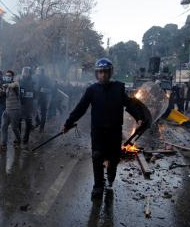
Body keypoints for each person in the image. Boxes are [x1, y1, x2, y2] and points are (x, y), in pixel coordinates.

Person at [61, 58, 148, 200]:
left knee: (113, 160)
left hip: (114, 131)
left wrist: (138, 117)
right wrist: (68, 123)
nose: (103, 75)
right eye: (100, 72)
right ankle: (98, 186)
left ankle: (111, 177)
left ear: (110, 72)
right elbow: (80, 108)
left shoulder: (119, 88)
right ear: (97, 74)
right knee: (97, 156)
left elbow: (129, 104)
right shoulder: (91, 90)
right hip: (98, 131)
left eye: (105, 72)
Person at [0, 70, 21, 151]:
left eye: (9, 75)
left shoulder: (15, 84)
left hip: (14, 110)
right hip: (7, 110)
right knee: (3, 127)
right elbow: (1, 95)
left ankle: (18, 141)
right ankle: (3, 145)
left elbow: (15, 84)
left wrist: (6, 85)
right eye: (6, 75)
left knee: (14, 128)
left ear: (12, 77)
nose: (7, 77)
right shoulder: (6, 87)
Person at [19, 66, 36, 148]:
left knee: (28, 122)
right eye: (24, 72)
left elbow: (35, 93)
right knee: (18, 121)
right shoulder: (20, 81)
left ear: (29, 73)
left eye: (27, 72)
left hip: (29, 104)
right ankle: (18, 137)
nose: (25, 74)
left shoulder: (32, 82)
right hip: (21, 104)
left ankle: (25, 139)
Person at [35, 66, 52, 132]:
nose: (37, 72)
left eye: (38, 70)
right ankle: (38, 122)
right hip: (37, 97)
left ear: (41, 71)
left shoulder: (47, 79)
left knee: (43, 113)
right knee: (34, 111)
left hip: (43, 98)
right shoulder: (35, 78)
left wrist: (44, 90)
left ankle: (41, 128)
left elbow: (51, 89)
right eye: (37, 70)